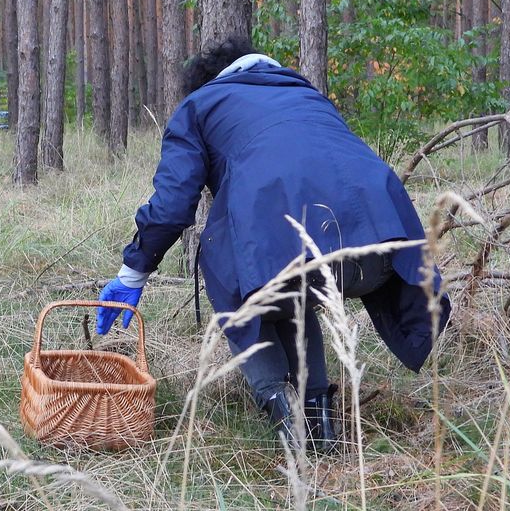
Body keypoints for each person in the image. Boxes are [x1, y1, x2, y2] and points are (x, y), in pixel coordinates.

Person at [93, 38, 451, 453]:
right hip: (383, 247)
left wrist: (133, 271)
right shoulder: (306, 95)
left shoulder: (200, 105)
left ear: (208, 82)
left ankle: (288, 423)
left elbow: (173, 206)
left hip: (297, 248)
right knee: (293, 295)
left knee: (245, 287)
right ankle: (322, 435)